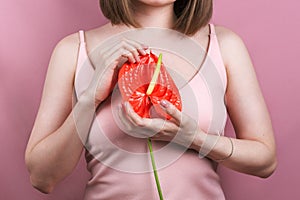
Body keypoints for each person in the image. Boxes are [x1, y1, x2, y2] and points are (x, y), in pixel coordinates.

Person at [25, 0, 277, 199]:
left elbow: (265, 161)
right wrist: (90, 98)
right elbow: (42, 178)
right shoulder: (73, 51)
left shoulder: (224, 45)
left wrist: (195, 139)